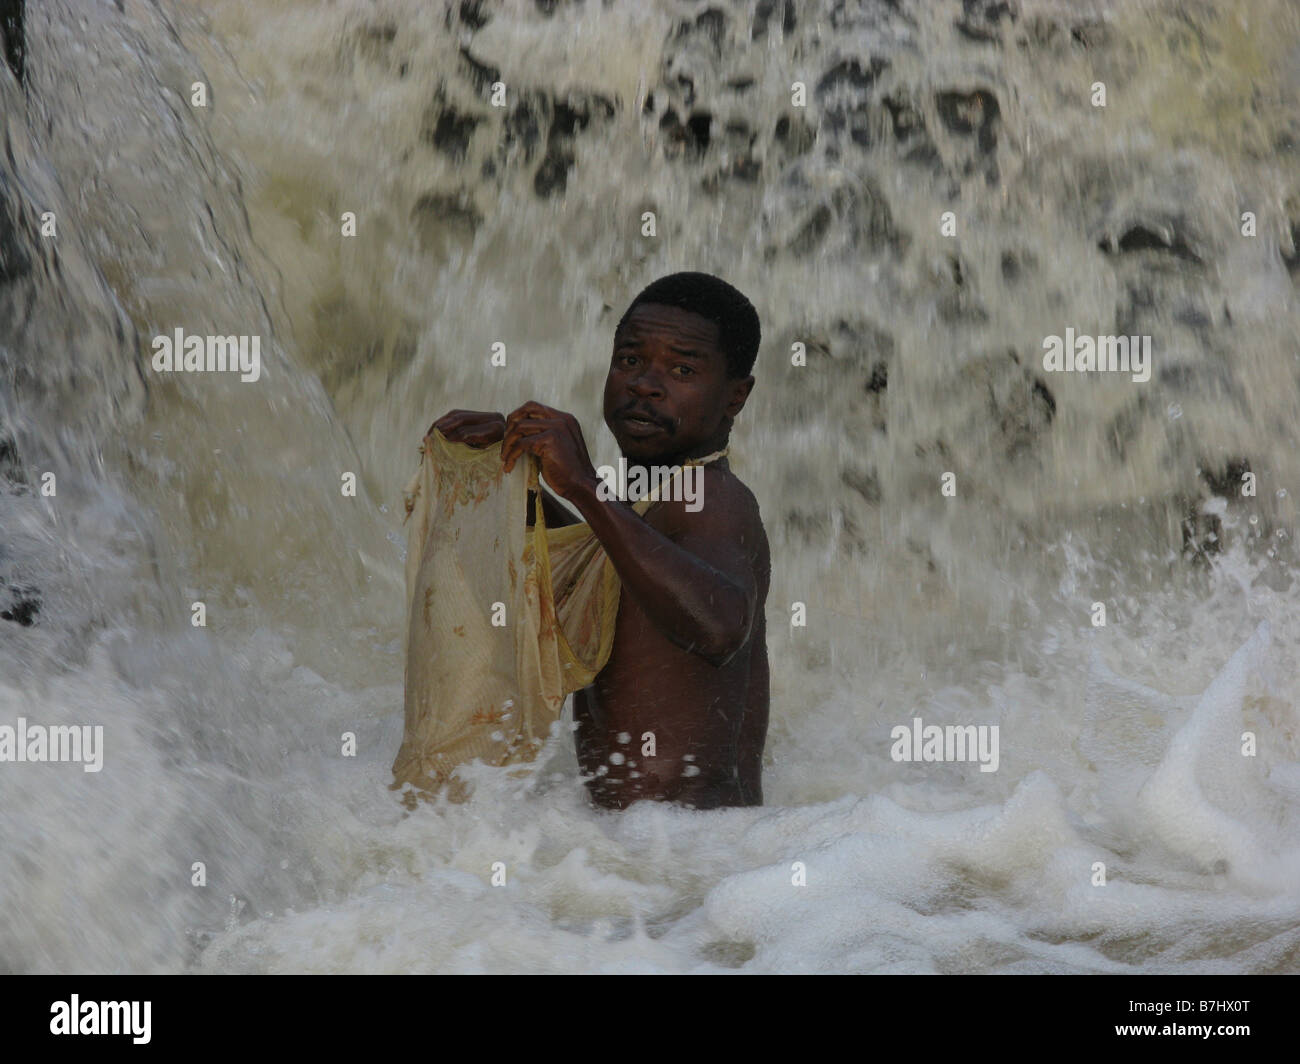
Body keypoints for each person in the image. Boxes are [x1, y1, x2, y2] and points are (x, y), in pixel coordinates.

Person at [428, 271, 769, 809]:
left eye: (682, 369)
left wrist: (585, 487)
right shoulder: (648, 507)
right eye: (630, 360)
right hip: (644, 856)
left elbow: (721, 625)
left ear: (735, 397)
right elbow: (605, 574)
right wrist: (511, 472)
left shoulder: (713, 499)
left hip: (688, 857)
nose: (645, 384)